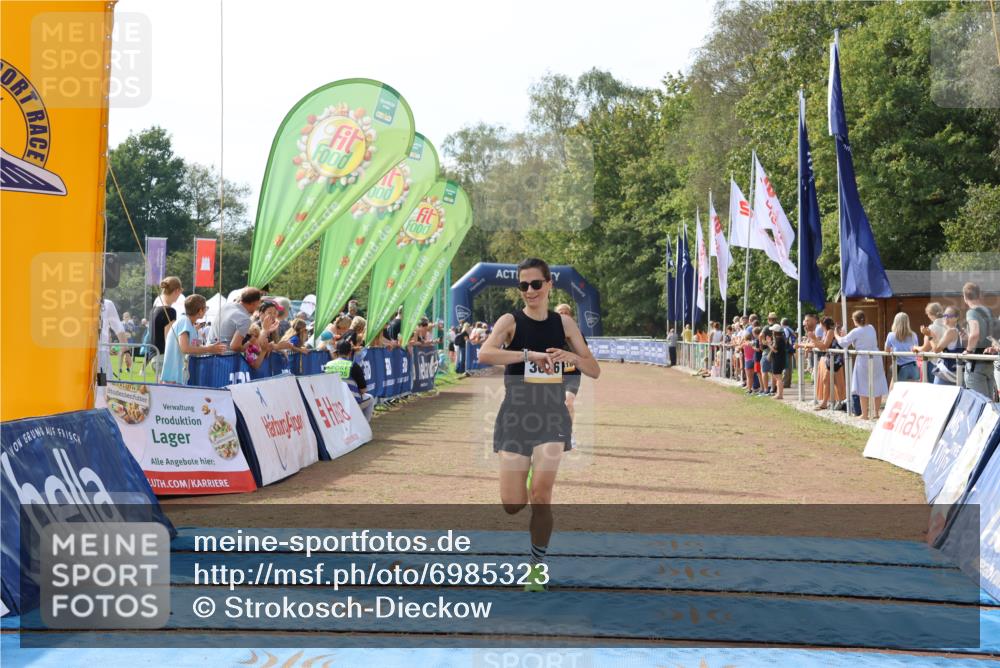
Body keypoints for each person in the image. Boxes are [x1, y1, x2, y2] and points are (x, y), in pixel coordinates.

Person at [477, 258, 600, 592]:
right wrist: (527, 355)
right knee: (513, 504)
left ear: (548, 285)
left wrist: (571, 357)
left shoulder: (565, 324)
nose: (529, 291)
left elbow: (594, 370)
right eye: (523, 285)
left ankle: (536, 569)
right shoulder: (510, 321)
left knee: (541, 496)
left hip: (551, 416)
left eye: (535, 284)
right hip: (515, 416)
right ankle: (526, 474)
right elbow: (485, 354)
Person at [160, 295, 228, 384]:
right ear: (200, 311)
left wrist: (211, 347)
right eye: (205, 308)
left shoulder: (189, 324)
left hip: (180, 375)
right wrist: (209, 349)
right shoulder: (184, 321)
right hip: (173, 376)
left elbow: (194, 346)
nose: (206, 311)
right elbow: (185, 348)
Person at [836, 310, 888, 419]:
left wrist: (836, 334)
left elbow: (843, 343)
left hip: (863, 359)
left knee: (862, 385)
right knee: (877, 383)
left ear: (855, 320)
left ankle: (864, 414)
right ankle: (876, 413)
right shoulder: (871, 328)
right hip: (876, 357)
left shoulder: (856, 331)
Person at [962, 282, 997, 399]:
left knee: (978, 403)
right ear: (979, 295)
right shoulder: (988, 311)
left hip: (975, 363)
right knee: (989, 404)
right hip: (989, 362)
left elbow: (975, 333)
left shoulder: (971, 312)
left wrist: (968, 351)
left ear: (965, 297)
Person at [325, 339, 374, 421]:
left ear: (337, 352)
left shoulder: (328, 365)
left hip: (332, 402)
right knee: (370, 398)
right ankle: (364, 424)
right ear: (350, 352)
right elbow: (363, 390)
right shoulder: (353, 365)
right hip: (350, 403)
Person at [98, 298, 129, 380]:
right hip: (78, 354)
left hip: (101, 355)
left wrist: (127, 352)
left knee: (103, 385)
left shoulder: (107, 304)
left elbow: (118, 328)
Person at [884, 312, 919, 384]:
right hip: (913, 367)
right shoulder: (913, 335)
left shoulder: (891, 335)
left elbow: (886, 350)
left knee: (897, 389)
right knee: (912, 390)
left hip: (900, 367)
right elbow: (916, 349)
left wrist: (894, 350)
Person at [769, 324, 787, 399]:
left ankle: (780, 394)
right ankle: (779, 393)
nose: (772, 332)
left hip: (778, 360)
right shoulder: (780, 339)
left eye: (773, 331)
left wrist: (769, 344)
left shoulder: (779, 340)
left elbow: (775, 350)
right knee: (777, 377)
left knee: (778, 377)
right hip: (778, 360)